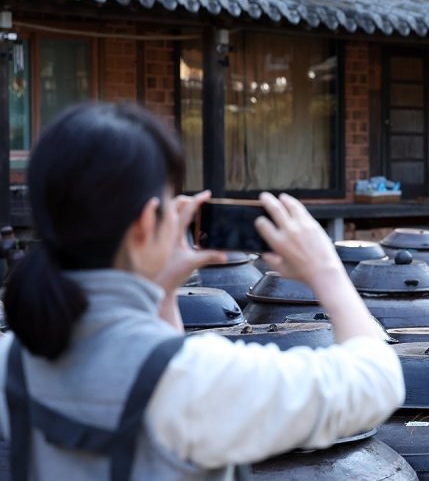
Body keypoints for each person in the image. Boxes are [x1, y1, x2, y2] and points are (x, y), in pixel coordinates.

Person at [0, 102, 405, 479]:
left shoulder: (12, 359)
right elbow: (377, 381)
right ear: (145, 221)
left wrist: (161, 291)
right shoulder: (197, 378)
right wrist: (326, 271)